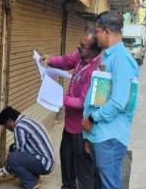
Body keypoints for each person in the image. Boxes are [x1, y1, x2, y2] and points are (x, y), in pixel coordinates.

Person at [81, 10, 139, 189]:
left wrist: (92, 119)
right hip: (100, 135)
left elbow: (118, 102)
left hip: (110, 136)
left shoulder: (122, 59)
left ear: (106, 32)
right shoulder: (108, 56)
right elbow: (100, 96)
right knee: (100, 183)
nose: (95, 36)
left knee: (109, 184)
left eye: (97, 31)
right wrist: (90, 136)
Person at [41, 28, 102, 189]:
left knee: (83, 173)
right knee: (67, 166)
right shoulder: (81, 55)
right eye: (79, 45)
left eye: (83, 46)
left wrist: (60, 99)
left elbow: (83, 103)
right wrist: (51, 60)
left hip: (82, 130)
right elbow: (67, 60)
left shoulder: (96, 70)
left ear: (94, 50)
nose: (78, 49)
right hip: (69, 126)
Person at [0, 107, 55, 189]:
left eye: (6, 126)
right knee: (12, 148)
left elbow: (17, 155)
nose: (7, 129)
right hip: (47, 161)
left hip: (45, 164)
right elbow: (18, 149)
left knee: (12, 158)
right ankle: (33, 176)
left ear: (10, 120)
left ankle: (32, 183)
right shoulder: (26, 120)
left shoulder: (19, 127)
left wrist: (2, 173)